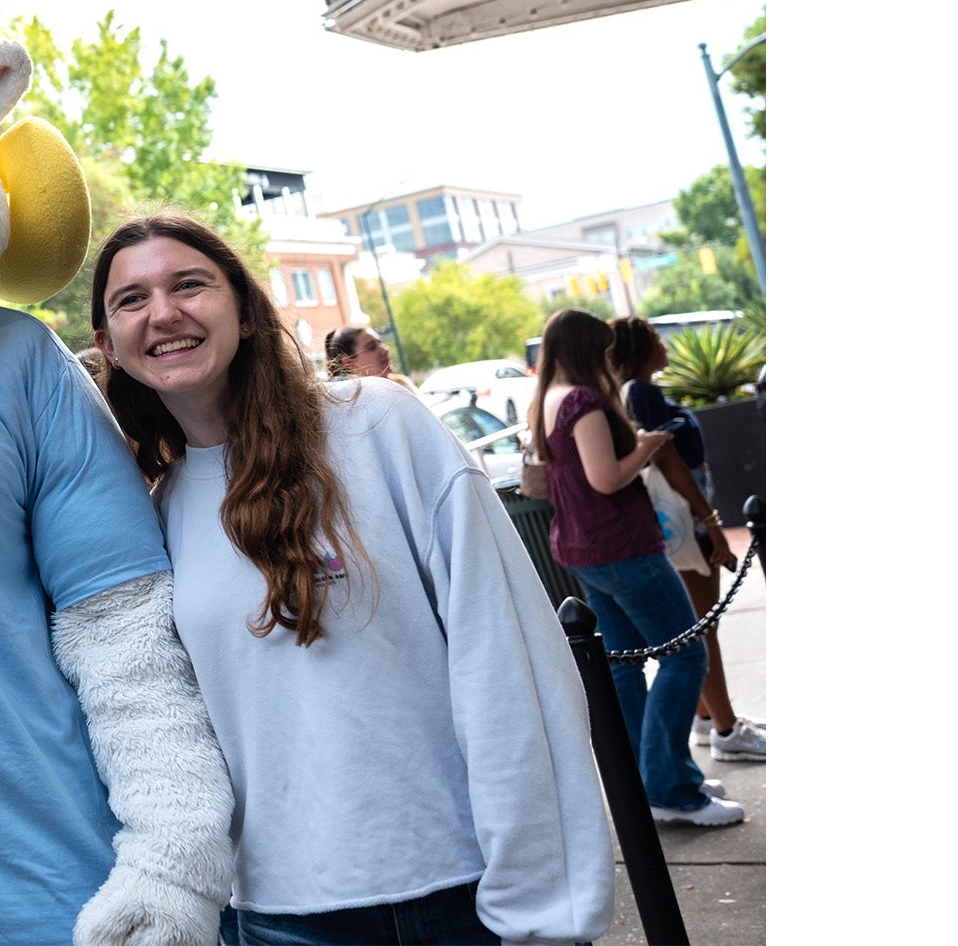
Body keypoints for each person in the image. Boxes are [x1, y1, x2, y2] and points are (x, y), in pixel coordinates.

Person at [89, 214, 615, 944]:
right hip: (280, 915)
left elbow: (506, 658)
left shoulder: (378, 427)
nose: (164, 312)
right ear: (109, 343)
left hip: (458, 892)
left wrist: (541, 904)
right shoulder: (156, 510)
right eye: (131, 298)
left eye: (189, 284)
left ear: (244, 312)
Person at [531, 308, 746, 827]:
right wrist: (646, 446)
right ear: (588, 349)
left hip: (584, 550)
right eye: (603, 349)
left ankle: (651, 781)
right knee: (684, 657)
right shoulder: (582, 400)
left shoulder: (547, 400)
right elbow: (606, 479)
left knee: (626, 667)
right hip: (622, 547)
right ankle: (673, 787)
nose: (610, 358)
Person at [608, 318, 767, 763]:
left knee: (691, 628)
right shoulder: (641, 393)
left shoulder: (628, 394)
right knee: (701, 628)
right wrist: (710, 521)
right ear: (640, 348)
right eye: (657, 339)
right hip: (683, 519)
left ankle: (704, 718)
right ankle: (727, 729)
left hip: (669, 520)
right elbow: (669, 460)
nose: (665, 345)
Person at [321, 325, 394, 380]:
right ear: (349, 363)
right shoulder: (352, 399)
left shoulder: (400, 384)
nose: (385, 350)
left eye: (380, 343)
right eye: (372, 347)